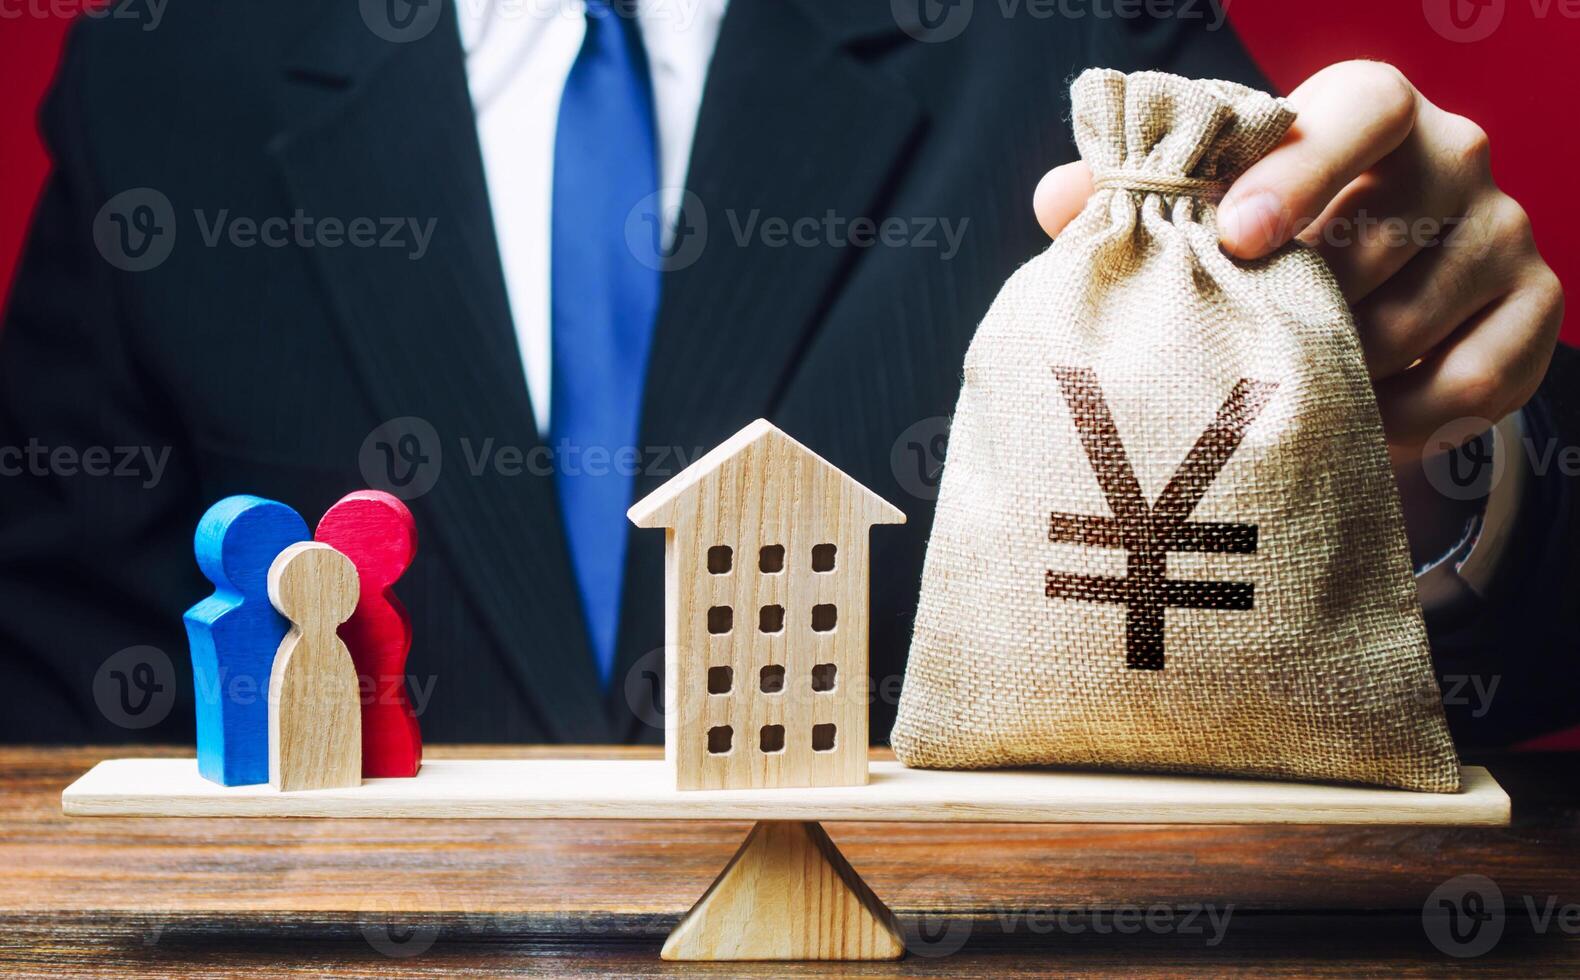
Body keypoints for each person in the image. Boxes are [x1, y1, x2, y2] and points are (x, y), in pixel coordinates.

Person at [0, 0, 1567, 749]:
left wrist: (1422, 430)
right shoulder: (164, 80)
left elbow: (1513, 652)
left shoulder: (1070, 43)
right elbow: (55, 713)